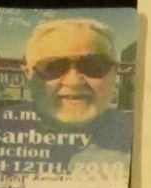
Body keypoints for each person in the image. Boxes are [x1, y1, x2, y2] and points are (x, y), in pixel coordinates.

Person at [23, 18, 130, 174]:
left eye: (93, 65)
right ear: (29, 76)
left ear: (115, 73)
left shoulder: (142, 138)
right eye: (53, 67)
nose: (74, 82)